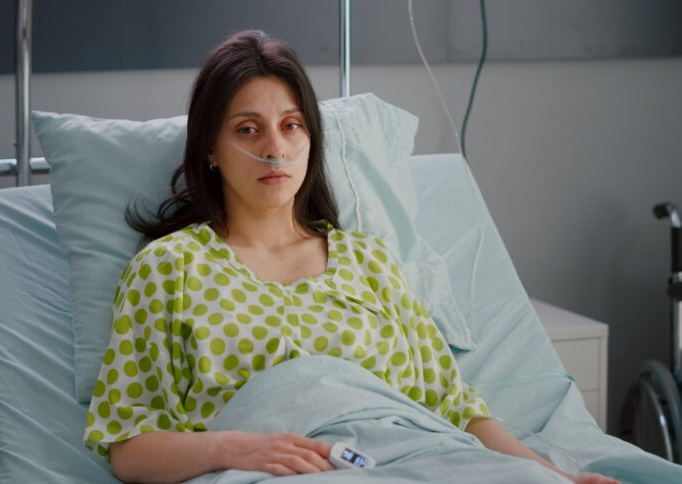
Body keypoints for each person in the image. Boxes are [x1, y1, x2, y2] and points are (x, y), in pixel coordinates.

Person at [83, 30, 618, 484]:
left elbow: (454, 409)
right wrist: (234, 449)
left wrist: (553, 475)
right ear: (210, 150)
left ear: (311, 139)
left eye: (291, 125)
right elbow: (127, 444)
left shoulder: (368, 261)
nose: (274, 149)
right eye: (248, 129)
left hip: (411, 459)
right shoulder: (170, 269)